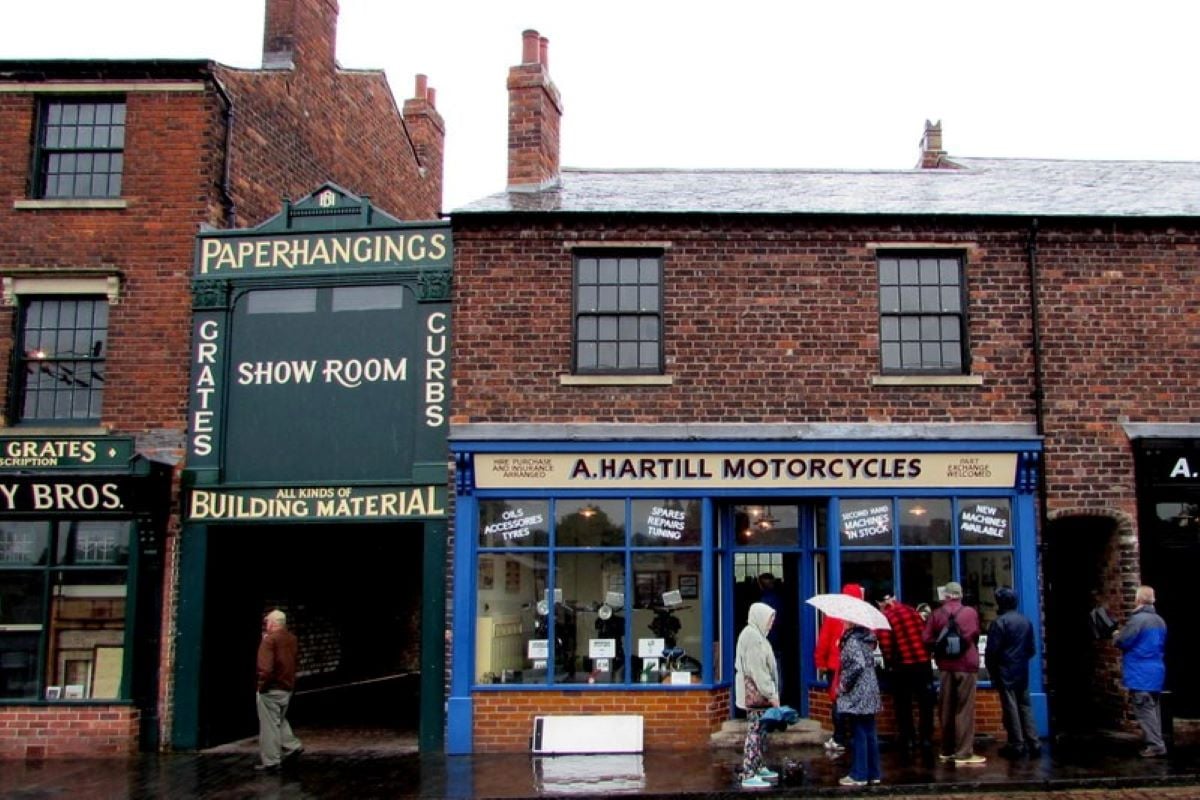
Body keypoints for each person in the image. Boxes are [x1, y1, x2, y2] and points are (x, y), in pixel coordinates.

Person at [923, 581, 986, 766]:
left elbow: (925, 638)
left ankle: (947, 749)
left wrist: (940, 646)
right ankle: (964, 753)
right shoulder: (970, 612)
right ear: (960, 595)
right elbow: (975, 634)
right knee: (964, 709)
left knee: (946, 708)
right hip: (967, 664)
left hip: (945, 666)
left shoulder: (936, 614)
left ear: (946, 595)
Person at [984, 586, 1041, 758]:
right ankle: (1034, 741)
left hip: (1005, 670)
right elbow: (1031, 649)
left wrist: (993, 671)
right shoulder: (1025, 621)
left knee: (1011, 708)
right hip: (1021, 669)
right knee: (1025, 706)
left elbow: (991, 652)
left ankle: (1016, 743)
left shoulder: (999, 623)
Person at [875, 592, 934, 754]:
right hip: (923, 663)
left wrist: (889, 663)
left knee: (903, 704)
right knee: (925, 703)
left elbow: (886, 646)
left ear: (880, 603)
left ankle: (908, 738)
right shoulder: (912, 611)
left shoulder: (884, 618)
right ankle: (926, 738)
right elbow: (925, 634)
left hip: (902, 667)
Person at [1114, 585, 1168, 758]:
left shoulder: (1137, 620)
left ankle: (1156, 745)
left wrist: (1116, 635)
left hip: (1140, 672)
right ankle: (1155, 741)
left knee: (1144, 710)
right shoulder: (1160, 621)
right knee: (1153, 710)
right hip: (1156, 670)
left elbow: (1124, 641)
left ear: (1138, 600)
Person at [735, 602, 781, 789]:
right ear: (760, 617)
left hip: (759, 694)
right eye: (770, 618)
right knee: (754, 732)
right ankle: (748, 773)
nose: (772, 622)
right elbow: (758, 670)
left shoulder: (758, 635)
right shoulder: (753, 637)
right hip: (756, 694)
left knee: (760, 732)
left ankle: (759, 766)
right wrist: (771, 694)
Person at [815, 582, 864, 753]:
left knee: (838, 701)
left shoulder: (834, 616)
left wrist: (820, 662)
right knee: (854, 701)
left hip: (836, 667)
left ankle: (839, 737)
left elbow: (824, 641)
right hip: (859, 668)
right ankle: (852, 736)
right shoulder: (863, 617)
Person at [836, 622, 883, 786]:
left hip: (859, 691)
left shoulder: (853, 641)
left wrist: (844, 683)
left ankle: (859, 774)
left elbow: (857, 664)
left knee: (859, 732)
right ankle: (873, 773)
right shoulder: (867, 638)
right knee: (869, 730)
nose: (843, 623)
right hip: (870, 688)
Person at [256, 608, 303, 771]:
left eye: (267, 621)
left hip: (271, 689)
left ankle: (271, 761)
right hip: (287, 687)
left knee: (269, 725)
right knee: (279, 720)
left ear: (273, 623)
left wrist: (261, 687)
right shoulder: (292, 639)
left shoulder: (269, 641)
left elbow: (266, 669)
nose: (266, 624)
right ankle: (293, 745)